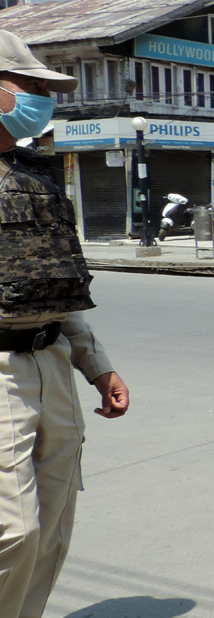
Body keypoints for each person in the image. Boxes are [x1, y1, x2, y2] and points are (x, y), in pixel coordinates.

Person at [0, 30, 130, 618]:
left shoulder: (35, 178)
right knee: (14, 530)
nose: (39, 98)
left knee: (51, 526)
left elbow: (57, 283)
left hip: (51, 361)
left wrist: (96, 366)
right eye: (28, 86)